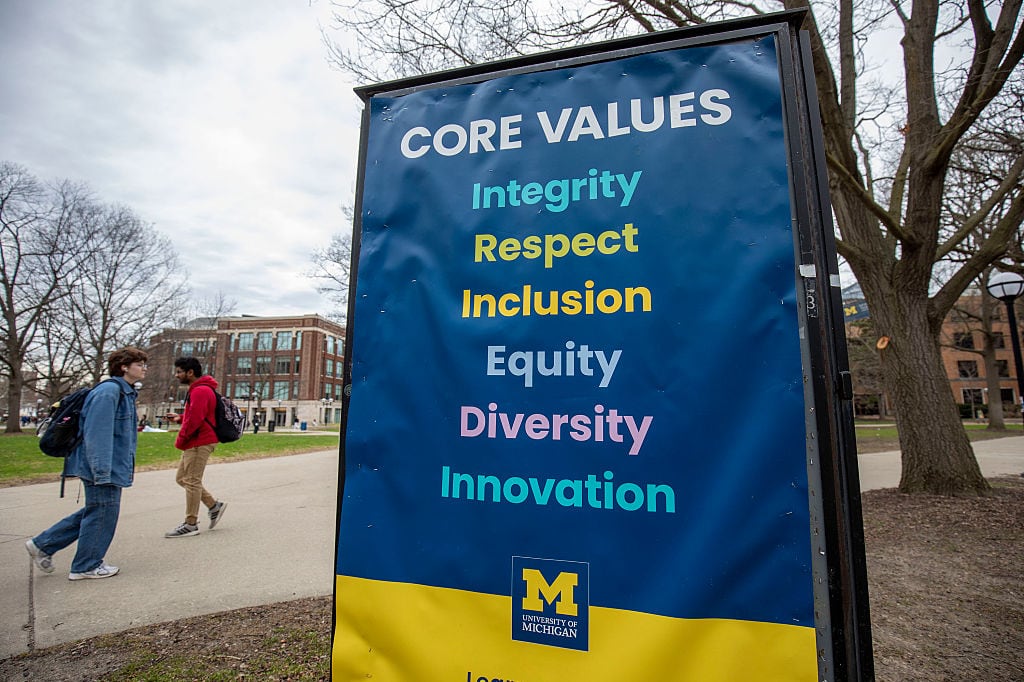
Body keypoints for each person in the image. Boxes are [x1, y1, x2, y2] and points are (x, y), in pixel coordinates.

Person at [25, 347, 148, 580]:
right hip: (102, 466)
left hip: (110, 464)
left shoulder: (124, 392)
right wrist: (101, 471)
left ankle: (43, 544)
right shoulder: (109, 392)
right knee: (103, 512)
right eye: (140, 364)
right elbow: (96, 434)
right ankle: (86, 565)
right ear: (124, 366)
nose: (144, 368)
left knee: (98, 509)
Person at [164, 357, 227, 538]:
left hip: (200, 441)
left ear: (190, 372)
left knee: (191, 480)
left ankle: (190, 524)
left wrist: (180, 440)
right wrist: (179, 418)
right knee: (182, 478)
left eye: (179, 372)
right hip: (197, 440)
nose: (177, 375)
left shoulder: (200, 391)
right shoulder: (199, 390)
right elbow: (195, 416)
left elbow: (195, 421)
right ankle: (214, 506)